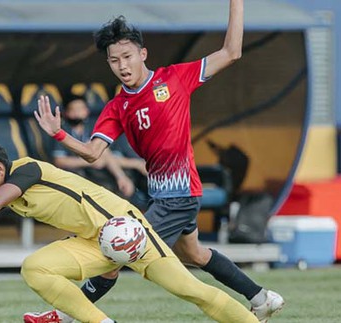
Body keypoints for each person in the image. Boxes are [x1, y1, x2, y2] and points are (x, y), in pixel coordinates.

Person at [33, 2, 284, 322]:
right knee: (193, 254)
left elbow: (231, 52)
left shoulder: (176, 78)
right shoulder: (117, 106)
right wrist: (59, 135)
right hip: (161, 195)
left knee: (115, 252)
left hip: (180, 195)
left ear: (143, 54)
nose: (122, 65)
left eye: (127, 57)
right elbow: (94, 153)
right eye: (114, 60)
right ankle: (261, 297)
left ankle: (63, 316)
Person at [0, 143, 259, 323]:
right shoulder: (4, 190)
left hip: (126, 229)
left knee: (191, 290)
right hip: (94, 242)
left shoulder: (26, 169)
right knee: (35, 268)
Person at [52, 94, 141, 198]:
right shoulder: (61, 130)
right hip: (77, 173)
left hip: (97, 171)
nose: (77, 112)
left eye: (81, 109)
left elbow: (105, 154)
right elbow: (59, 161)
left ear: (87, 111)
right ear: (66, 113)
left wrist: (121, 177)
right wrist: (90, 160)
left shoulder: (92, 127)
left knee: (120, 179)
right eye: (73, 109)